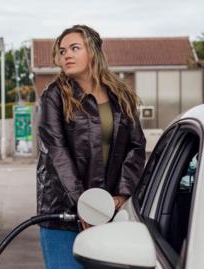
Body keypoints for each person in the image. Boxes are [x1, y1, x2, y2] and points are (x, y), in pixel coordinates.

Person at [36, 25, 146, 269]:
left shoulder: (122, 96)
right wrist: (83, 204)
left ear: (93, 52)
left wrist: (122, 193)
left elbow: (136, 146)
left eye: (75, 48)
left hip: (109, 211)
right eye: (62, 50)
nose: (67, 55)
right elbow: (56, 151)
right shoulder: (54, 96)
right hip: (62, 213)